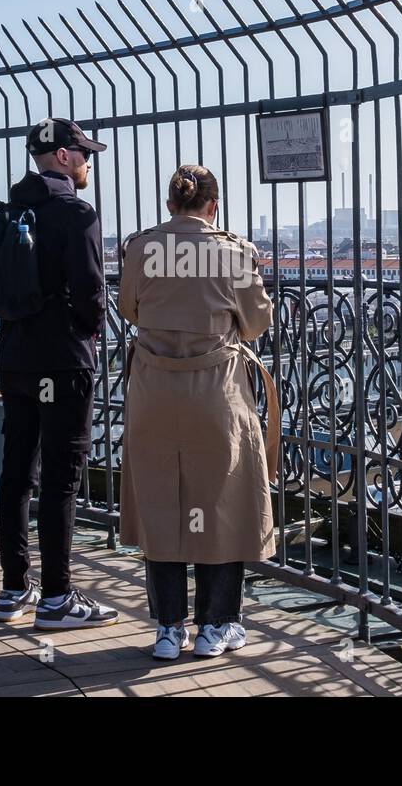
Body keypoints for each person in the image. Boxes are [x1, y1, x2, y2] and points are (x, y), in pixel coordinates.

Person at [117, 164, 279, 660]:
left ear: (170, 205)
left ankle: (168, 629)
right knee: (222, 508)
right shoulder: (232, 252)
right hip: (216, 395)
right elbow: (254, 325)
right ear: (214, 206)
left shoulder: (142, 248)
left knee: (162, 505)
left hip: (155, 394)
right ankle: (216, 625)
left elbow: (129, 309)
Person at [0, 118, 119, 630]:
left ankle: (13, 586)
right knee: (62, 481)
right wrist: (89, 331)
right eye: (84, 153)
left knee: (16, 472)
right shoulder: (76, 212)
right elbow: (90, 291)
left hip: (15, 357)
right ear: (63, 157)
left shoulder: (9, 210)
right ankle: (58, 598)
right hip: (63, 360)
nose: (88, 161)